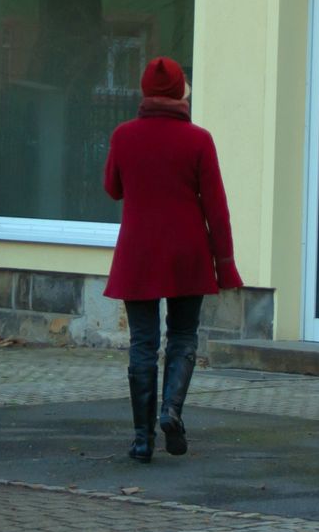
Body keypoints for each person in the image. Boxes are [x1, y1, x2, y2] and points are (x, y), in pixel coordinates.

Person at [102, 56, 241, 464]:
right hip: (187, 253)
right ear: (182, 92)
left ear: (145, 92)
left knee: (142, 342)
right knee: (182, 336)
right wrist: (226, 263)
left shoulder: (123, 136)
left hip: (139, 253)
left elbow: (112, 188)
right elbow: (217, 209)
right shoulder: (199, 139)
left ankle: (141, 438)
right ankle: (171, 411)